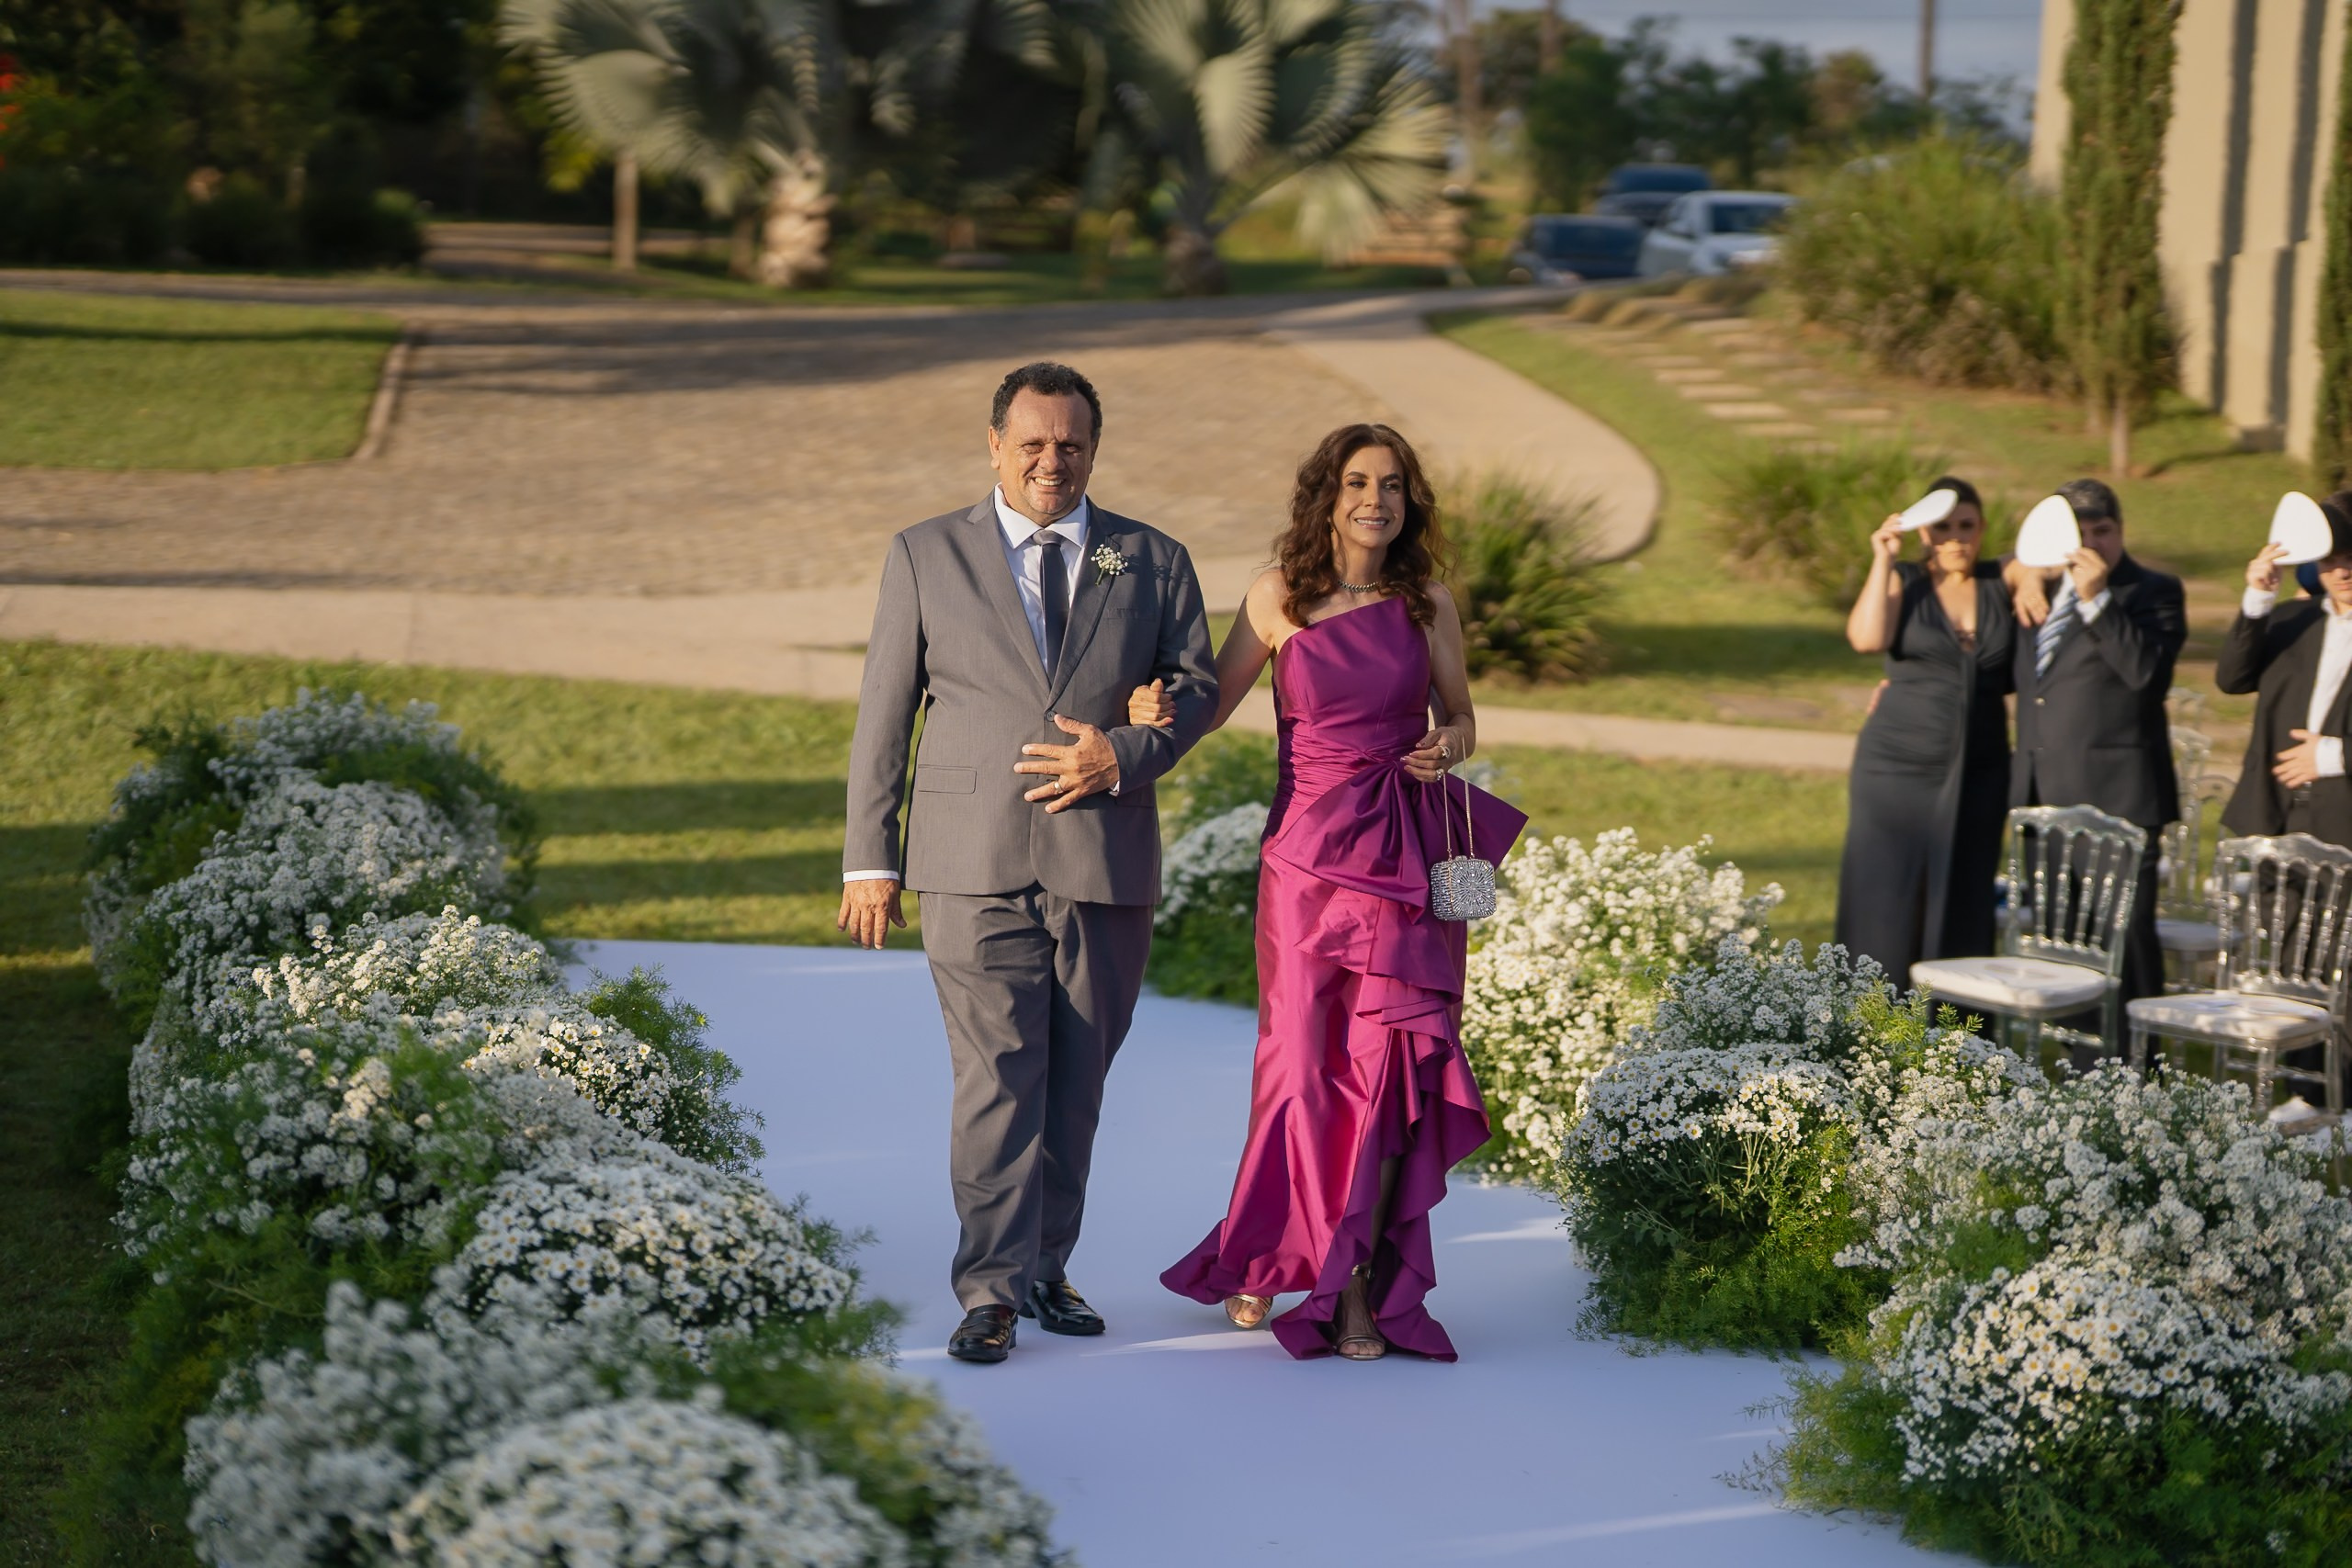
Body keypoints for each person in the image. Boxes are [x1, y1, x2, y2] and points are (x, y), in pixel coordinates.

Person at [838, 361, 1218, 1365]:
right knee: (998, 1075)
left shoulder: (1151, 558)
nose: (1054, 462)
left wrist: (1124, 750)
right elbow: (884, 715)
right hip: (971, 857)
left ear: (1095, 449)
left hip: (1105, 854)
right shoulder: (925, 554)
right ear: (995, 445)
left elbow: (1193, 689)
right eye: (1035, 443)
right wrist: (867, 860)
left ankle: (1049, 1268)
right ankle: (992, 1291)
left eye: (1073, 444)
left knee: (1077, 1078)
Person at [1130, 423, 1526, 1361]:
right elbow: (1208, 706)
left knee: (1385, 1073)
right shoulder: (1277, 598)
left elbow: (1460, 714)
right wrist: (1142, 718)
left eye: (1391, 485)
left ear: (1408, 501)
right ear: (1326, 494)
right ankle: (1268, 1254)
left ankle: (1354, 1289)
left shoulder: (1427, 601)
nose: (1374, 501)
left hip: (1399, 864)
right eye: (1357, 483)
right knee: (1299, 1072)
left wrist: (1450, 745)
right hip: (1305, 870)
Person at [2007, 477, 2187, 1010]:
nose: (2090, 543)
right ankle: (2079, 1070)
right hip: (2045, 799)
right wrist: (2023, 574)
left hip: (2119, 801)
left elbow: (2147, 677)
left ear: (2121, 530)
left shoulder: (2153, 592)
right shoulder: (2037, 589)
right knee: (2061, 946)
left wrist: (2098, 602)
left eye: (2102, 530)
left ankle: (2140, 1075)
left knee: (2124, 946)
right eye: (2078, 531)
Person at [1833, 476, 2016, 978]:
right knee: (1885, 897)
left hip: (1980, 767)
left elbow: (2050, 556)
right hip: (1896, 765)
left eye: (1967, 526)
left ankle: (1953, 1039)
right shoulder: (1905, 580)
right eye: (1942, 527)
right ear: (1922, 532)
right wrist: (1882, 557)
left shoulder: (2003, 580)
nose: (1955, 538)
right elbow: (1867, 639)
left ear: (1982, 529)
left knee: (1964, 893)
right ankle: (1867, 1033)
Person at [2216, 492, 2352, 847]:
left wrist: (2334, 756)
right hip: (2274, 817)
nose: (2341, 572)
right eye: (2329, 561)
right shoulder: (2293, 620)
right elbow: (2233, 679)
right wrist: (2258, 600)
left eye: (2351, 559)